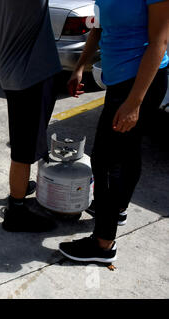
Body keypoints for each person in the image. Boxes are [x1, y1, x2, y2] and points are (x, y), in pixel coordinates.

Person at [59, 0, 168, 263]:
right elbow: (98, 28)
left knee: (104, 160)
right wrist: (80, 66)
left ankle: (103, 243)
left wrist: (134, 102)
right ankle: (117, 208)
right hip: (117, 80)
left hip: (140, 83)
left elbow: (159, 42)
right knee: (128, 149)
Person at [0, 0, 62, 232]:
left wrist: (0, 65)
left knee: (24, 141)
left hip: (13, 72)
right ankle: (17, 209)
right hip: (36, 73)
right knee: (24, 149)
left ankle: (19, 193)